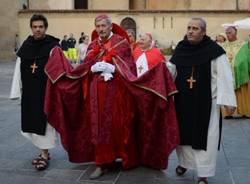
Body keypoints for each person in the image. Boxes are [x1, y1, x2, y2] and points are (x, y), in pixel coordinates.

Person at [44, 14, 179, 179]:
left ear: (110, 26)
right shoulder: (92, 44)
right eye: (98, 26)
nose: (100, 29)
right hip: (95, 94)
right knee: (98, 127)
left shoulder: (121, 43)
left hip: (117, 93)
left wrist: (114, 69)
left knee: (115, 126)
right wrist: (91, 68)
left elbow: (129, 67)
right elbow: (85, 65)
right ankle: (101, 162)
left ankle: (121, 156)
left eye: (103, 26)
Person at [169, 17, 236, 184]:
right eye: (189, 28)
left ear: (204, 32)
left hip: (206, 103)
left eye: (195, 28)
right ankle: (184, 163)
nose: (191, 31)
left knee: (206, 139)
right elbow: (170, 71)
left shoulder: (214, 51)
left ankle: (203, 174)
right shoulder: (181, 49)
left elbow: (224, 76)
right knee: (183, 136)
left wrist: (228, 101)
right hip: (182, 102)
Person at [10, 14, 59, 171]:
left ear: (45, 27)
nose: (38, 29)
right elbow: (18, 70)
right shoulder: (26, 46)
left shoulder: (53, 46)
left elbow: (59, 70)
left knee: (45, 125)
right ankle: (43, 152)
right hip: (30, 94)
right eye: (35, 27)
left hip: (45, 94)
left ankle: (44, 155)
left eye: (41, 27)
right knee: (32, 125)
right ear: (31, 28)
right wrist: (16, 91)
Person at [221, 26, 250, 117]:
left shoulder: (243, 45)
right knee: (228, 93)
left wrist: (237, 64)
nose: (228, 35)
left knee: (241, 91)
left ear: (235, 33)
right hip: (226, 74)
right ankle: (228, 113)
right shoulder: (223, 45)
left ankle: (245, 111)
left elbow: (246, 58)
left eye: (230, 32)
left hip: (240, 72)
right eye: (227, 33)